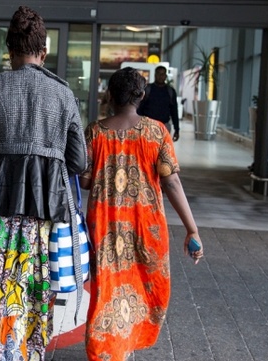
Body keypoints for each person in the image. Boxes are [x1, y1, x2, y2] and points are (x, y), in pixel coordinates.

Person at [0, 6, 87, 360]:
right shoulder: (63, 94)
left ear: (10, 51)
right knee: (32, 287)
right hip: (42, 212)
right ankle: (27, 351)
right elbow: (79, 161)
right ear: (43, 52)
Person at [80, 67, 203, 361]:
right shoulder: (157, 132)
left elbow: (84, 181)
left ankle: (109, 349)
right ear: (142, 96)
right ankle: (125, 345)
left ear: (110, 95)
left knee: (107, 287)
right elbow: (171, 183)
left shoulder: (95, 132)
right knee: (146, 283)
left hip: (105, 227)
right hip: (147, 226)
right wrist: (192, 229)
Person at [136, 65, 180, 141]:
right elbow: (140, 108)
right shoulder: (147, 89)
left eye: (162, 74)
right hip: (147, 126)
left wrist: (177, 129)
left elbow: (174, 111)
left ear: (165, 76)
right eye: (158, 74)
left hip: (164, 126)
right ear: (155, 75)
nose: (160, 76)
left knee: (162, 147)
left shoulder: (170, 91)